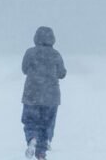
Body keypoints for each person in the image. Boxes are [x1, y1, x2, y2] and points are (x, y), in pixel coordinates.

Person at [21, 26, 66, 160]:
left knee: (30, 120)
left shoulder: (30, 53)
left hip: (31, 95)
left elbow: (24, 69)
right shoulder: (56, 54)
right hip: (51, 96)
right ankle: (41, 152)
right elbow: (62, 73)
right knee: (46, 123)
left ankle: (32, 138)